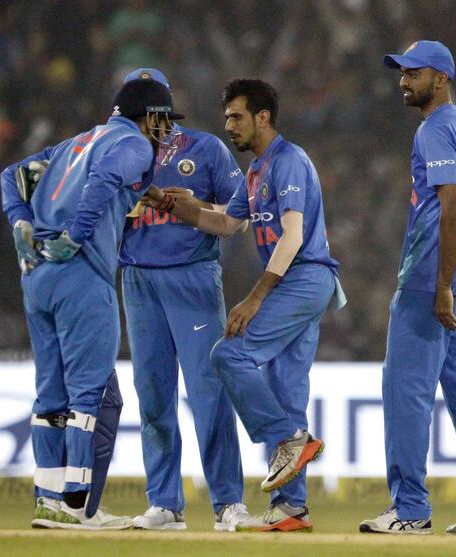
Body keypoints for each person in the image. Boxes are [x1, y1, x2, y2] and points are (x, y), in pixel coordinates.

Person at [144, 78, 345, 532]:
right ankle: (291, 508)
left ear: (263, 117)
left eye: (236, 116)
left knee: (229, 352)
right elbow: (226, 223)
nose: (228, 125)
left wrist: (255, 298)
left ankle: (288, 440)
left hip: (304, 277)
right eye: (226, 117)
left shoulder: (288, 162)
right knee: (286, 387)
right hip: (300, 282)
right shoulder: (255, 172)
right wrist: (167, 203)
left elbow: (293, 236)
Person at [0, 77, 181, 530]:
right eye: (163, 120)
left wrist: (21, 223)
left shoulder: (74, 143)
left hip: (36, 277)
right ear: (146, 115)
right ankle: (77, 505)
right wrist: (75, 237)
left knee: (50, 394)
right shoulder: (133, 145)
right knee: (87, 394)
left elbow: (11, 176)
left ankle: (47, 499)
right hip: (81, 274)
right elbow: (104, 182)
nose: (166, 131)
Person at [359, 40, 456, 535]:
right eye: (400, 72)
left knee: (405, 395)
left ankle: (410, 510)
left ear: (440, 78)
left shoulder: (435, 129)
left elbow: (453, 205)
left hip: (431, 282)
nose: (403, 81)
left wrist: (440, 284)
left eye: (413, 73)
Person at [118, 69, 248, 532]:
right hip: (137, 279)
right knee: (153, 395)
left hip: (191, 277)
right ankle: (165, 504)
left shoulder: (205, 148)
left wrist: (193, 206)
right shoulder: (116, 151)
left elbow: (240, 214)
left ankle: (228, 501)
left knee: (208, 392)